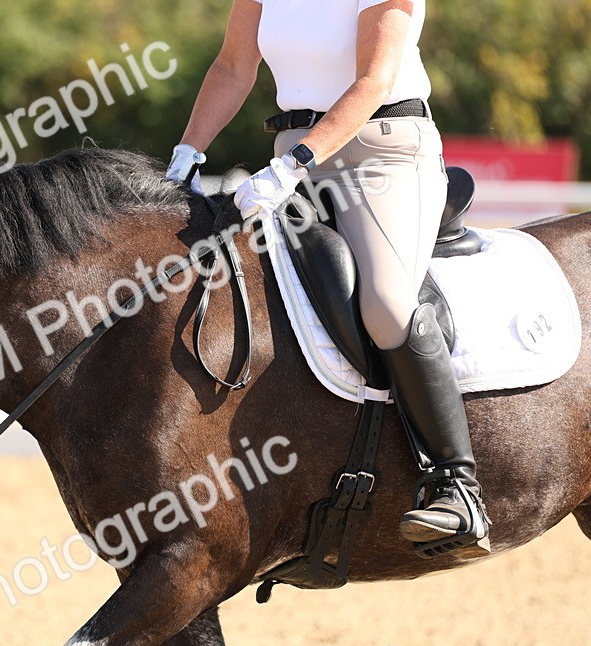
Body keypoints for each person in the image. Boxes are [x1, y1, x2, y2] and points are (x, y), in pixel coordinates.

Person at [166, 0, 490, 553]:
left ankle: (456, 484)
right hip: (292, 160)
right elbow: (232, 66)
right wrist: (186, 152)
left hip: (383, 155)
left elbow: (374, 80)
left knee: (386, 304)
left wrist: (293, 165)